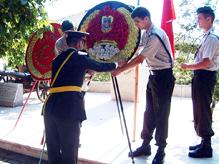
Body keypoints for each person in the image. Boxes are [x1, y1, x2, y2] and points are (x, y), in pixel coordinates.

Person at [112, 7, 175, 164]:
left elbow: (140, 59)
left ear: (146, 18)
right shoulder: (146, 33)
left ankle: (161, 150)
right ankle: (145, 145)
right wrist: (124, 60)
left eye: (138, 21)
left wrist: (121, 70)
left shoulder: (155, 35)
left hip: (164, 76)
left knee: (161, 114)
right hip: (154, 75)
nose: (137, 25)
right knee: (149, 112)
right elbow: (138, 50)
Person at [44, 31, 117, 164]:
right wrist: (116, 64)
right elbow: (100, 66)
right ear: (79, 43)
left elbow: (67, 76)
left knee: (53, 151)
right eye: (83, 42)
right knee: (69, 151)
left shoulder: (56, 60)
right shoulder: (80, 57)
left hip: (50, 108)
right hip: (68, 109)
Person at [181, 6, 219, 158]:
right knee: (198, 109)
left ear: (209, 19)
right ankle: (203, 142)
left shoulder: (211, 38)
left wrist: (188, 66)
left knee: (202, 110)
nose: (197, 21)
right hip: (201, 76)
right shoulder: (206, 36)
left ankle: (206, 147)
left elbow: (206, 63)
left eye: (199, 18)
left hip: (205, 76)